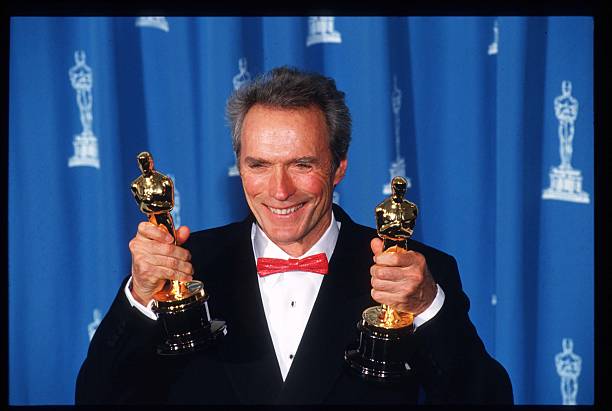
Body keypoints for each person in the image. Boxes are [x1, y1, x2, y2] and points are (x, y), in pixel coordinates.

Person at [75, 66, 513, 405]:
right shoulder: (183, 266)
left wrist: (427, 308)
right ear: (238, 164)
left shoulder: (413, 274)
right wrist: (138, 300)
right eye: (259, 165)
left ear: (339, 166)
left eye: (302, 164)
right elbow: (96, 398)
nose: (279, 190)